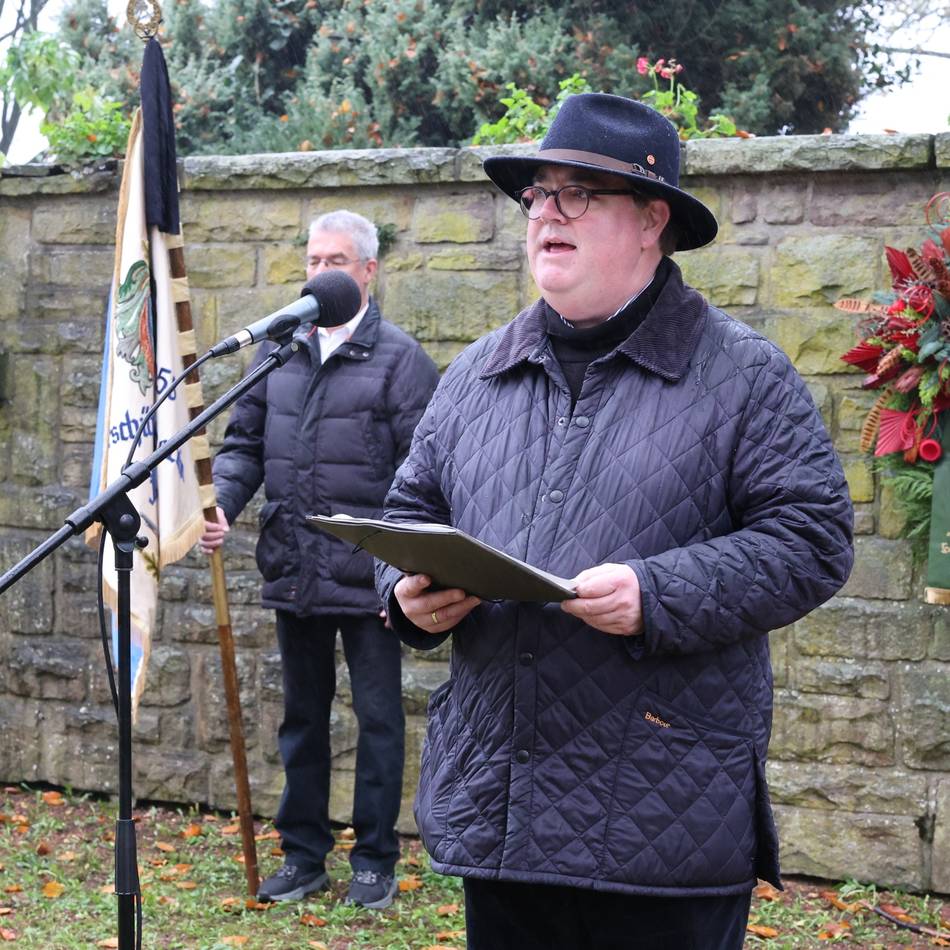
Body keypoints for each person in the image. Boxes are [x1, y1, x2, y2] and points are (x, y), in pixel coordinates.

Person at [376, 94, 854, 949]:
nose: (547, 213)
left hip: (663, 822)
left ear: (651, 220)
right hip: (502, 814)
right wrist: (405, 594)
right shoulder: (478, 374)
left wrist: (656, 592)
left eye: (580, 192)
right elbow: (411, 510)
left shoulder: (746, 376)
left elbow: (813, 540)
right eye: (538, 195)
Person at [200, 210, 440, 909]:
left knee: (378, 719)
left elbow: (422, 473)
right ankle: (303, 857)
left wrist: (401, 559)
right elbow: (243, 445)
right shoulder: (278, 350)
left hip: (369, 579)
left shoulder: (401, 361)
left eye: (335, 258)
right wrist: (223, 504)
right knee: (300, 719)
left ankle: (374, 860)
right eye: (311, 259)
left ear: (368, 271)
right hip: (294, 567)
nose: (320, 272)